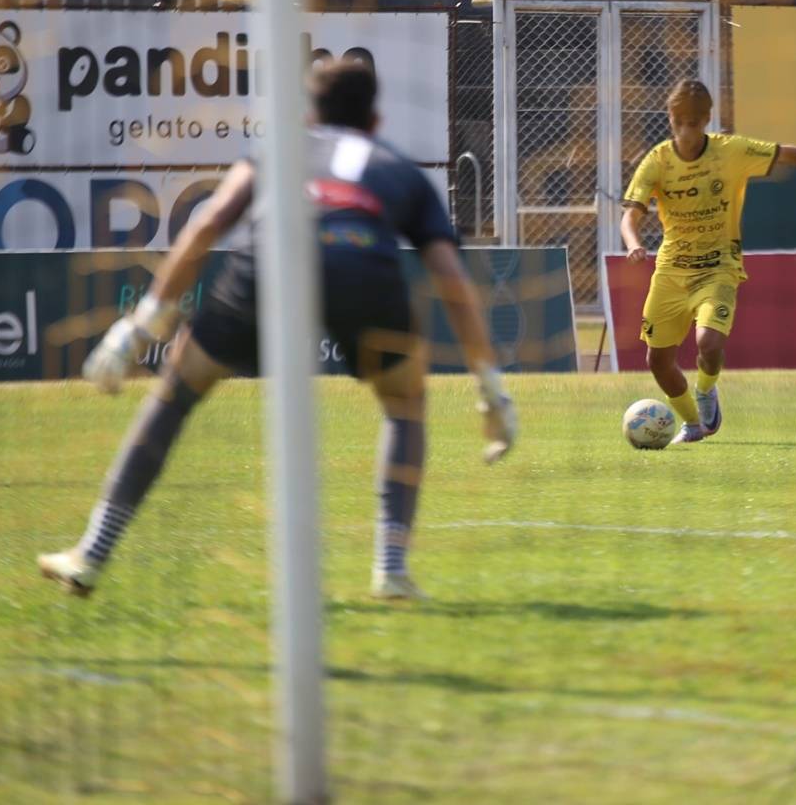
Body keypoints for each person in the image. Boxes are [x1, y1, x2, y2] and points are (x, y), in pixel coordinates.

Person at [37, 52, 517, 600]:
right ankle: (392, 569)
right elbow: (451, 278)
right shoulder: (400, 169)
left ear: (309, 114)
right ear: (375, 121)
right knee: (405, 405)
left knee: (174, 395)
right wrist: (491, 389)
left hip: (268, 259)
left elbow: (209, 221)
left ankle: (92, 553)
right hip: (365, 265)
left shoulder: (278, 151)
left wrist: (142, 324)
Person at [619, 79, 796, 445]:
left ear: (706, 119)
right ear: (670, 118)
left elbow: (789, 153)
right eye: (681, 120)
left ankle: (705, 390)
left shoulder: (730, 151)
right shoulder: (657, 161)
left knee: (709, 343)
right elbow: (630, 216)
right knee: (657, 360)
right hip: (670, 271)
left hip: (718, 266)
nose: (687, 128)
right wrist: (634, 244)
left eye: (695, 121)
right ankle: (693, 424)